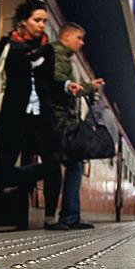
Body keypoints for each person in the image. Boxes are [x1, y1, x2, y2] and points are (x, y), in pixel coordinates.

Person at [0, 1, 66, 231]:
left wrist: (66, 87)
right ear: (24, 22)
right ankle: (1, 210)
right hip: (15, 114)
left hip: (42, 117)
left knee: (53, 163)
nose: (42, 25)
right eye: (37, 20)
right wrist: (27, 60)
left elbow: (50, 82)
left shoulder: (48, 50)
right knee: (5, 165)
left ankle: (50, 218)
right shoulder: (7, 45)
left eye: (44, 21)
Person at [51, 22, 105, 230]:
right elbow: (61, 85)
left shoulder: (65, 57)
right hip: (59, 121)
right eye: (79, 38)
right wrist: (89, 87)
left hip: (62, 121)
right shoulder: (58, 55)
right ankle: (9, 176)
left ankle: (71, 216)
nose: (81, 43)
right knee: (69, 165)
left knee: (73, 165)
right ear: (66, 36)